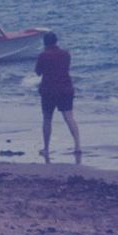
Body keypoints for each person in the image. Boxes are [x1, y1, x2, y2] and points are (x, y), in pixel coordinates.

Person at [35, 31, 80, 159]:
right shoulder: (66, 54)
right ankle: (77, 146)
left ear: (45, 43)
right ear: (56, 41)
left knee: (47, 119)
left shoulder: (43, 56)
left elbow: (38, 72)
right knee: (69, 117)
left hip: (48, 90)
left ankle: (46, 148)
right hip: (65, 89)